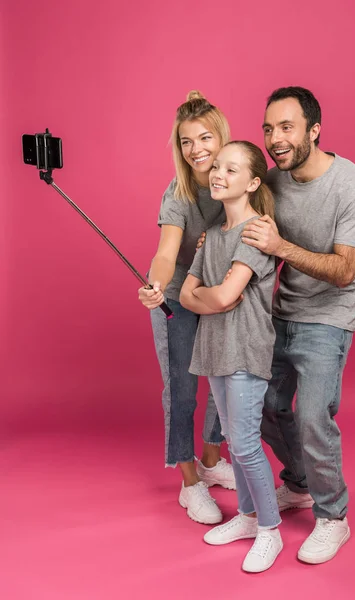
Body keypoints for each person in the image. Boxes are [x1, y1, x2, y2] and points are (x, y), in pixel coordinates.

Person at [241, 86, 355, 564]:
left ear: (314, 131)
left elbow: (345, 272)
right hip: (283, 311)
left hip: (330, 316)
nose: (275, 139)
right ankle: (299, 483)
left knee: (315, 417)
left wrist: (281, 248)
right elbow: (249, 234)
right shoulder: (273, 183)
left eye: (286, 127)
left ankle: (333, 515)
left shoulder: (351, 186)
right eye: (268, 128)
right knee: (264, 406)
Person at [180, 141, 282, 573]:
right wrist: (210, 297)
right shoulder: (214, 235)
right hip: (216, 349)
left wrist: (210, 296)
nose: (218, 173)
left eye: (232, 169)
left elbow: (222, 294)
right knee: (237, 446)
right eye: (217, 166)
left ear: (253, 182)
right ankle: (248, 516)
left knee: (242, 443)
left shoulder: (256, 232)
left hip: (245, 348)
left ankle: (270, 531)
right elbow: (188, 295)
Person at [138, 91, 236, 525]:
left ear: (222, 138)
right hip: (177, 297)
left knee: (223, 381)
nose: (196, 149)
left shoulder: (239, 179)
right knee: (181, 387)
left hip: (222, 295)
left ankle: (213, 460)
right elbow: (166, 252)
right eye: (186, 141)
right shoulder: (177, 194)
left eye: (205, 138)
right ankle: (190, 483)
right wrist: (155, 285)